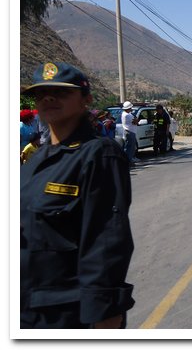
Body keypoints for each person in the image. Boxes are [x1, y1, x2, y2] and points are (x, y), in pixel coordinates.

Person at [20, 62, 134, 329]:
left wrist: (106, 316)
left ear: (86, 100)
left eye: (61, 92)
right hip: (26, 308)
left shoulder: (98, 154)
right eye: (41, 93)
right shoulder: (37, 159)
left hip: (67, 314)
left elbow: (106, 240)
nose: (48, 98)